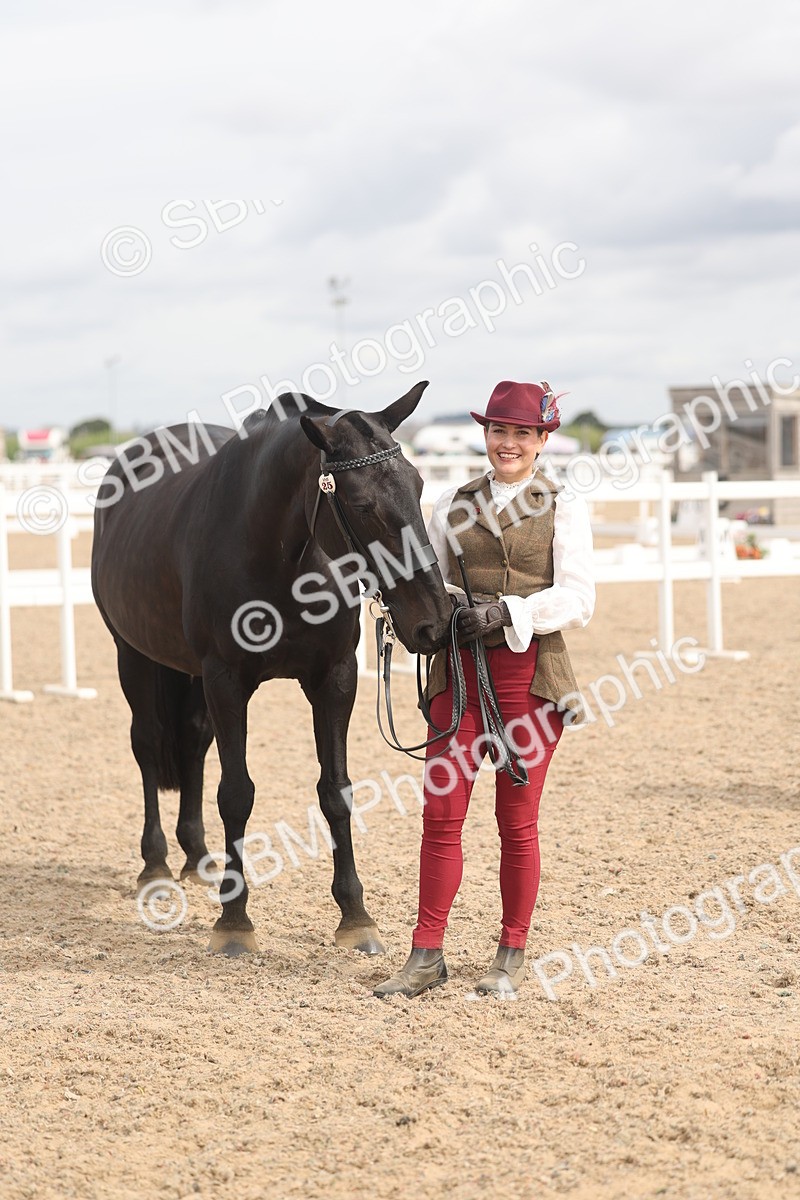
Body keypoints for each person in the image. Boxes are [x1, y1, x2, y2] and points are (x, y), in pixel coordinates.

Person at [374, 380, 595, 999]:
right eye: (499, 430)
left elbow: (580, 598)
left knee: (515, 821)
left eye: (522, 433)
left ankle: (511, 950)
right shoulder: (449, 504)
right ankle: (426, 953)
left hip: (529, 679)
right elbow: (432, 581)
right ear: (486, 435)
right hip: (459, 676)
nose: (508, 443)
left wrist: (507, 613)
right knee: (440, 815)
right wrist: (451, 607)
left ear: (542, 440)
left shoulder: (563, 506)